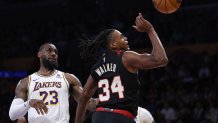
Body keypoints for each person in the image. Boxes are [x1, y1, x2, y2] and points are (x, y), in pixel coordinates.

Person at [75, 13, 168, 123]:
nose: (125, 38)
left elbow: (83, 97)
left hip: (99, 116)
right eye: (122, 37)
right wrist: (150, 30)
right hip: (120, 116)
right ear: (113, 45)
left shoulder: (97, 66)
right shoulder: (126, 56)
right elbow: (161, 59)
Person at [9, 42, 98, 123]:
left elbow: (89, 103)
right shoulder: (25, 82)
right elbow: (13, 115)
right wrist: (29, 103)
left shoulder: (68, 78)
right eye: (49, 51)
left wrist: (110, 98)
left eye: (56, 52)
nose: (53, 54)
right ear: (39, 54)